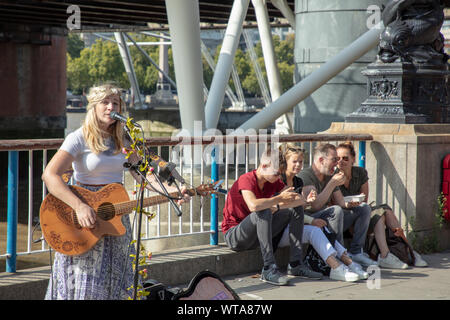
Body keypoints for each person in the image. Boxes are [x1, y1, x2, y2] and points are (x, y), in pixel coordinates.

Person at [42, 84, 189, 299]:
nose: (111, 107)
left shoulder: (124, 140)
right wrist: (80, 206)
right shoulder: (78, 138)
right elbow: (50, 175)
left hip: (116, 218)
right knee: (85, 282)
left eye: (116, 103)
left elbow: (145, 176)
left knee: (118, 281)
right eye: (105, 102)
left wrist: (171, 191)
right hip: (85, 220)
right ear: (94, 107)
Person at [222, 148, 322, 286]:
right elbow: (253, 206)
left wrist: (302, 200)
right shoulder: (246, 179)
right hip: (236, 236)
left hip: (256, 234)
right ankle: (268, 268)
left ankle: (295, 264)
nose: (278, 177)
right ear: (264, 166)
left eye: (280, 174)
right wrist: (279, 199)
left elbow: (295, 200)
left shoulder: (273, 180)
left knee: (295, 208)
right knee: (263, 211)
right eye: (276, 173)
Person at [277, 143, 367, 282]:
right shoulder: (285, 180)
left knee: (362, 208)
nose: (298, 165)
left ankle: (347, 261)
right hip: (282, 228)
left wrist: (351, 203)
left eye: (301, 161)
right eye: (294, 161)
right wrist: (311, 219)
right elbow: (297, 208)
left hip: (299, 223)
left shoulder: (297, 180)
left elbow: (300, 206)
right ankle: (337, 264)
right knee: (319, 226)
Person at [336, 142, 428, 268]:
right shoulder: (333, 176)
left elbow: (364, 199)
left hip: (360, 212)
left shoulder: (360, 173)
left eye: (345, 158)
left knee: (385, 210)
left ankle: (408, 251)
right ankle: (388, 255)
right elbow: (333, 205)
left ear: (353, 159)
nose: (341, 161)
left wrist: (356, 203)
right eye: (337, 158)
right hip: (345, 217)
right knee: (380, 214)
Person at [298, 143, 377, 267]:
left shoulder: (329, 174)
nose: (337, 163)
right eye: (334, 159)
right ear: (321, 160)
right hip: (312, 220)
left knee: (363, 208)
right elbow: (315, 206)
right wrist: (332, 183)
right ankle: (340, 257)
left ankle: (356, 252)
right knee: (335, 210)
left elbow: (341, 202)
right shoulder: (306, 176)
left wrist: (352, 203)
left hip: (329, 219)